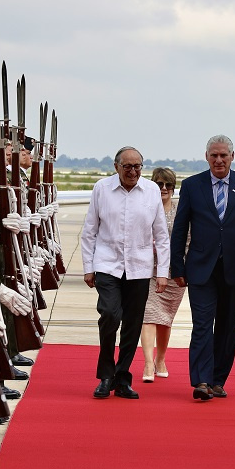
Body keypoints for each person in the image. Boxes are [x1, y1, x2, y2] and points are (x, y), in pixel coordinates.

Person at [170, 134, 235, 401]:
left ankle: (217, 380)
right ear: (206, 157)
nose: (218, 160)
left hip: (234, 268)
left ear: (232, 157)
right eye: (213, 155)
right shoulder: (192, 186)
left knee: (227, 326)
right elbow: (180, 228)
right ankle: (201, 381)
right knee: (202, 324)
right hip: (201, 268)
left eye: (223, 155)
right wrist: (176, 267)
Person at [81, 146, 170, 399]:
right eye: (127, 166)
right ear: (116, 166)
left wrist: (162, 271)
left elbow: (161, 236)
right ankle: (105, 375)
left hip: (140, 267)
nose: (133, 172)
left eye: (138, 167)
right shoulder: (102, 189)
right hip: (107, 264)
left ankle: (122, 378)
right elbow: (90, 231)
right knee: (109, 314)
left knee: (132, 324)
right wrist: (88, 267)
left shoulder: (151, 190)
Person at [140, 167, 186, 382]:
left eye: (168, 185)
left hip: (174, 272)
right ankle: (148, 364)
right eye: (159, 184)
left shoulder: (181, 211)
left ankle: (160, 359)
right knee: (148, 316)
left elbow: (188, 241)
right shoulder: (145, 209)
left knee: (165, 319)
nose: (164, 188)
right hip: (148, 270)